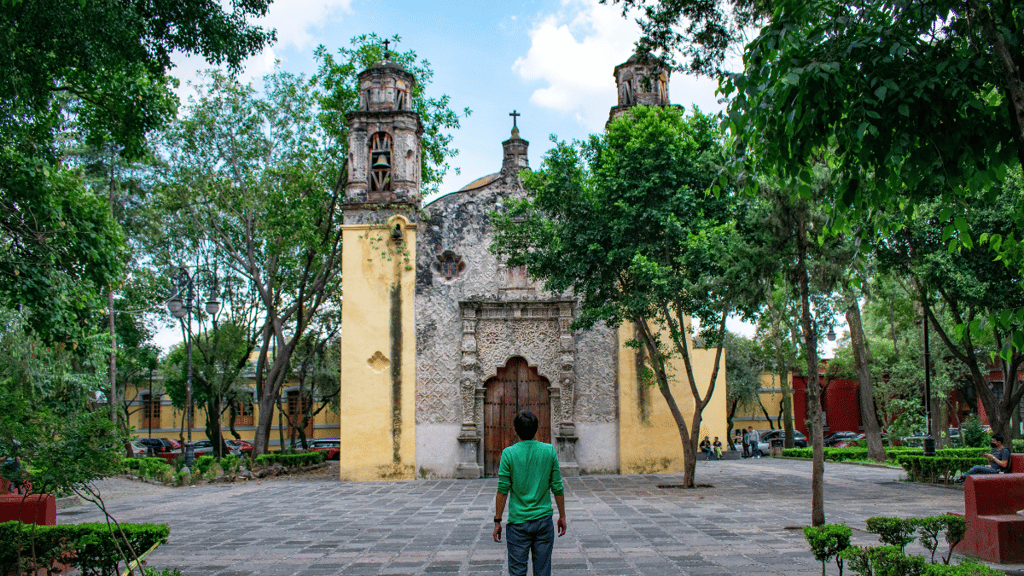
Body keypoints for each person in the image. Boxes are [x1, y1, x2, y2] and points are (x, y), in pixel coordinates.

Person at [493, 411, 567, 576]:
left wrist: (497, 521)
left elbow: (502, 490)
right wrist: (562, 516)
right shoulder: (549, 451)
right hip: (543, 521)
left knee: (517, 572)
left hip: (518, 522)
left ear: (516, 430)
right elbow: (557, 487)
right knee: (543, 571)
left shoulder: (508, 453)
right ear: (536, 429)